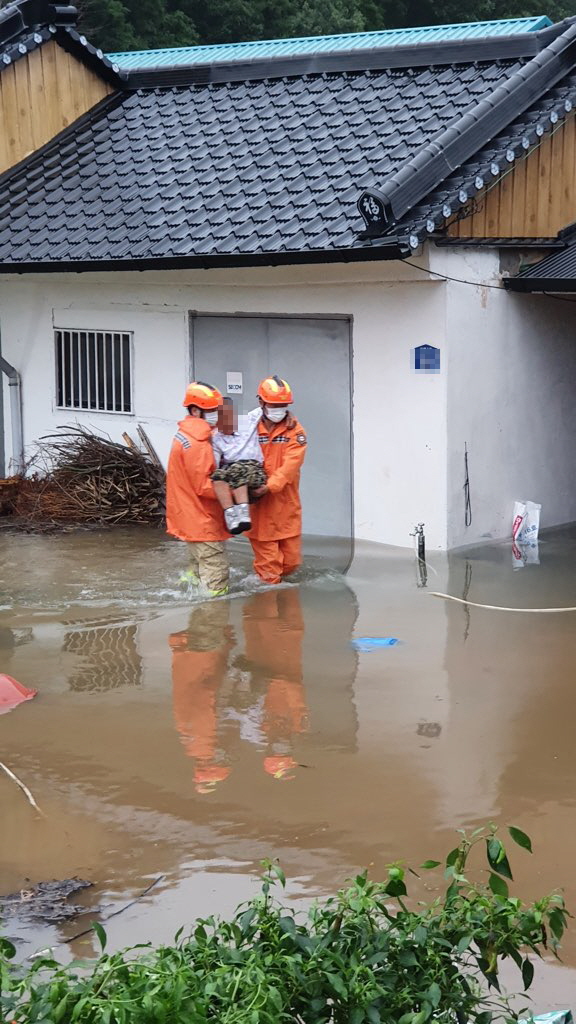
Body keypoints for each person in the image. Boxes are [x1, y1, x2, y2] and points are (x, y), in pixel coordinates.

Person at [166, 381, 229, 596]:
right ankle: (212, 619)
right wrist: (235, 494)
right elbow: (205, 486)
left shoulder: (185, 435)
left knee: (195, 568)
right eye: (212, 411)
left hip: (189, 516)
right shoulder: (198, 442)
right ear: (195, 410)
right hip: (202, 519)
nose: (217, 415)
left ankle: (190, 610)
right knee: (215, 570)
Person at [249, 375, 307, 585]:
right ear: (261, 403)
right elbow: (225, 440)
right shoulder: (249, 427)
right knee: (269, 570)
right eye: (274, 404)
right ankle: (266, 614)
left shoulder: (295, 431)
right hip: (261, 510)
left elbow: (291, 465)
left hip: (286, 506)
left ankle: (283, 612)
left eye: (283, 405)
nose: (279, 409)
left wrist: (269, 486)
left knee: (291, 563)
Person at [211, 398, 266, 536]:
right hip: (233, 471)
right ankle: (231, 516)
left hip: (254, 469)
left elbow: (268, 408)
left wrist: (289, 415)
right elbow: (215, 463)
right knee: (217, 475)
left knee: (237, 469)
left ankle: (244, 513)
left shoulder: (248, 420)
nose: (223, 424)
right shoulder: (216, 437)